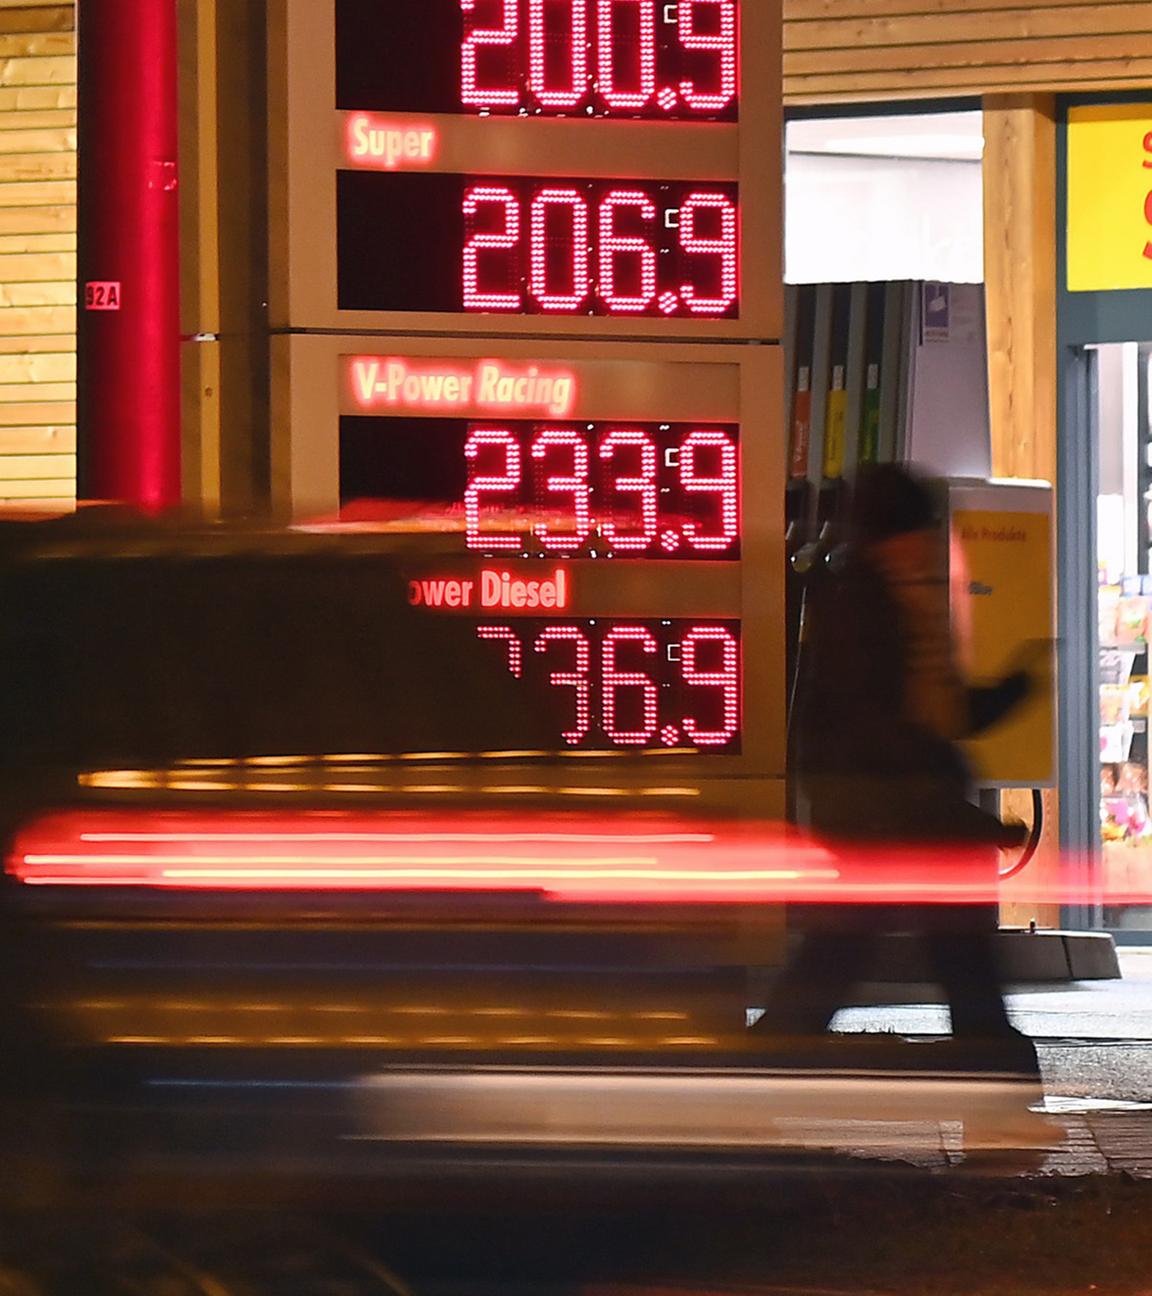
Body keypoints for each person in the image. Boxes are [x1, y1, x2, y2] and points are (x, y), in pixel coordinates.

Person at [753, 464, 1045, 1069]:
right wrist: (967, 822)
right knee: (919, 954)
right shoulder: (866, 601)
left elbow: (932, 714)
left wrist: (1012, 689)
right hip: (886, 814)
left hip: (888, 811)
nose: (931, 542)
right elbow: (889, 730)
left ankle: (769, 1063)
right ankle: (993, 1070)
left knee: (862, 953)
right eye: (922, 529)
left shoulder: (888, 595)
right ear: (898, 534)